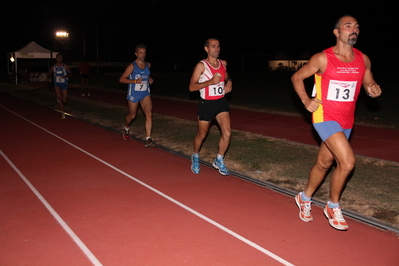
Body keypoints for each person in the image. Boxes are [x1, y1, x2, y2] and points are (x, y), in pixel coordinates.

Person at [291, 15, 382, 231]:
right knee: (348, 162)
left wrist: (373, 89)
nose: (354, 30)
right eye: (348, 26)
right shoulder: (323, 58)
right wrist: (306, 100)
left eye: (357, 27)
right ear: (336, 32)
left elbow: (369, 83)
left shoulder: (363, 59)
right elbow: (296, 77)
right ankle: (332, 206)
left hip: (347, 120)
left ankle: (304, 198)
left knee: (324, 163)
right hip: (324, 116)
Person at [189, 38, 233, 175]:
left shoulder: (223, 63)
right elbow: (191, 87)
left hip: (220, 102)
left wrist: (230, 82)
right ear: (206, 49)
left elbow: (226, 76)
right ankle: (195, 156)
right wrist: (209, 82)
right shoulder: (201, 66)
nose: (217, 49)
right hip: (206, 104)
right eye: (214, 46)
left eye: (218, 46)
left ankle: (219, 159)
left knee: (227, 133)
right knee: (202, 134)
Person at [120, 44, 155, 147]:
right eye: (140, 53)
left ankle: (148, 138)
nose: (142, 55)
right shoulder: (132, 66)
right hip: (134, 94)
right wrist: (134, 81)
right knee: (132, 115)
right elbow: (121, 79)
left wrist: (149, 79)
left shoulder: (148, 65)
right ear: (136, 54)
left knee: (149, 113)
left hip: (145, 93)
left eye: (144, 53)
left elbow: (147, 74)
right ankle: (126, 127)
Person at [48, 53, 72, 119]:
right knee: (59, 97)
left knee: (65, 100)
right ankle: (63, 113)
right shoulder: (53, 67)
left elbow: (70, 74)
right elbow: (49, 73)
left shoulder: (65, 66)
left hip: (64, 84)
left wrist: (66, 76)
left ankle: (62, 102)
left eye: (61, 57)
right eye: (59, 57)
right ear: (56, 58)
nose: (60, 59)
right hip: (57, 84)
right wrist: (49, 75)